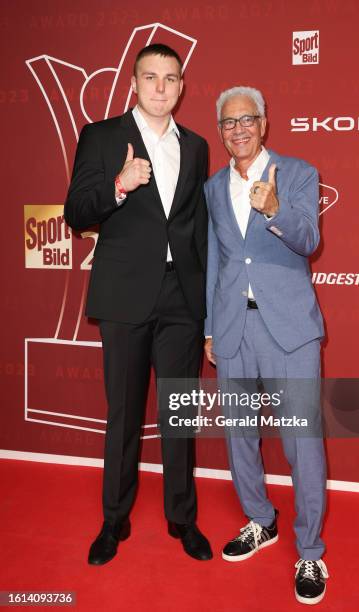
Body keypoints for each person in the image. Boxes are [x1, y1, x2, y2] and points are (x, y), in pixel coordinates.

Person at [64, 44, 212, 565]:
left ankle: (182, 517)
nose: (160, 87)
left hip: (182, 299)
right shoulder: (102, 136)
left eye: (170, 79)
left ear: (182, 86)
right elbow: (75, 210)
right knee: (123, 415)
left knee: (179, 414)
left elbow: (196, 232)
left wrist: (206, 306)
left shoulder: (195, 147)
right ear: (133, 81)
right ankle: (113, 520)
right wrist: (120, 188)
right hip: (125, 295)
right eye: (150, 77)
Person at [204, 86, 328, 604]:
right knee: (239, 437)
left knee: (303, 443)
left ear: (264, 123)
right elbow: (217, 257)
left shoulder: (297, 173)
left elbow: (310, 240)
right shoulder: (213, 187)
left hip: (289, 329)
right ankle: (261, 520)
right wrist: (209, 326)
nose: (239, 129)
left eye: (247, 119)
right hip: (234, 326)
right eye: (229, 123)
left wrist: (275, 208)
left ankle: (310, 552)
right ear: (221, 131)